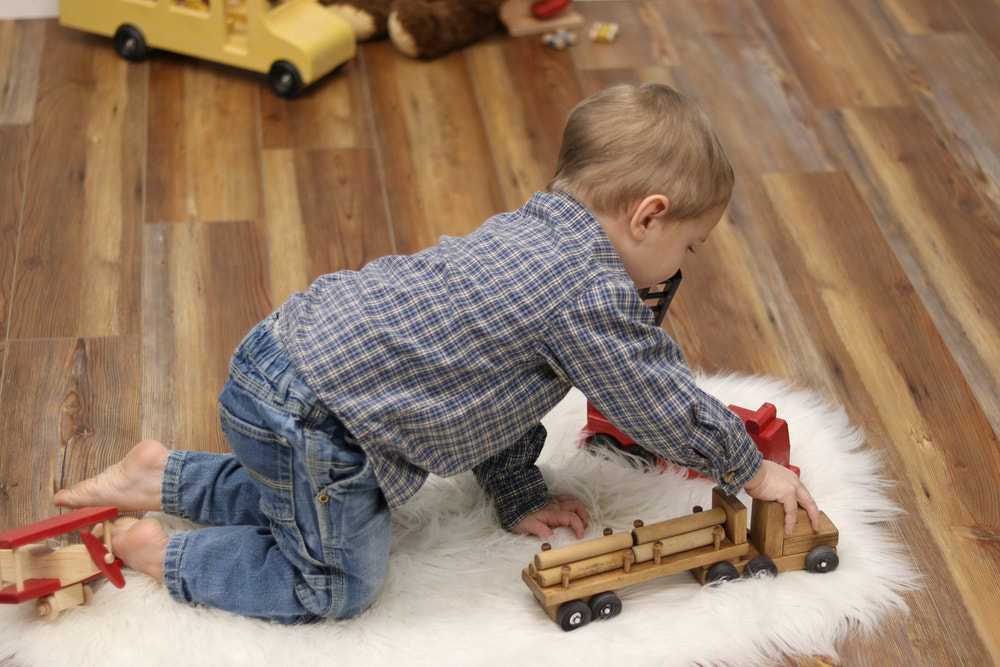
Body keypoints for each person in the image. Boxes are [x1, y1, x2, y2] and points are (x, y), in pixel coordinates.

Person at [55, 82, 820, 624]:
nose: (683, 265)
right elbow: (656, 398)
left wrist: (517, 490)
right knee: (339, 578)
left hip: (283, 359)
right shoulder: (589, 294)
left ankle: (164, 476)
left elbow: (493, 392)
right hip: (319, 416)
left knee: (307, 497)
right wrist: (750, 467)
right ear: (648, 217)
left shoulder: (530, 232)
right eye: (690, 245)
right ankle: (165, 557)